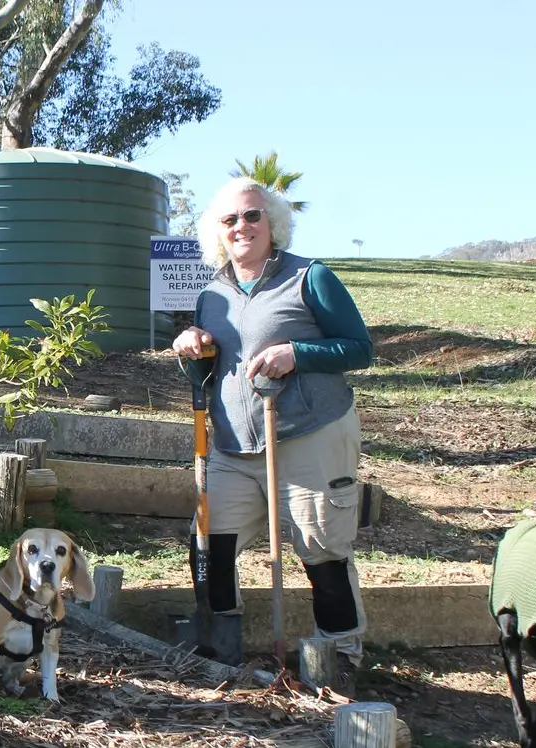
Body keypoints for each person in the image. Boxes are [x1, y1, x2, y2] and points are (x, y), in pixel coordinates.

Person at [172, 177, 373, 688]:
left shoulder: (309, 277)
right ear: (218, 231)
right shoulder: (212, 292)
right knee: (208, 543)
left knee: (321, 548)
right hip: (233, 445)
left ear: (273, 222)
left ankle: (340, 658)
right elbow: (214, 368)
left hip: (308, 434)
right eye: (230, 219)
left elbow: (359, 347)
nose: (243, 226)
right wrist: (192, 345)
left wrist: (297, 354)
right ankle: (221, 646)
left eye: (253, 215)